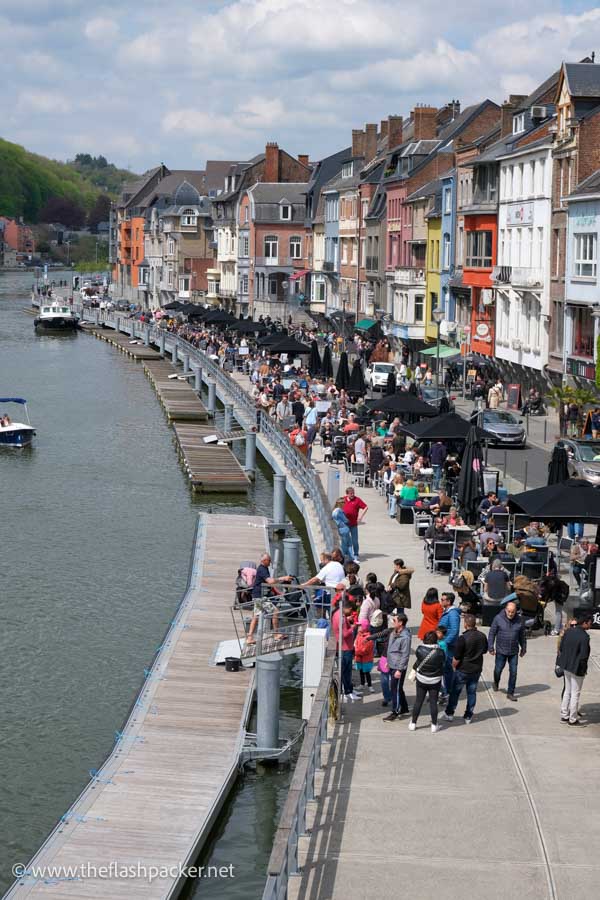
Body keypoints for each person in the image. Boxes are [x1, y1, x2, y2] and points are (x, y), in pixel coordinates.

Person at [442, 613, 488, 723]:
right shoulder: (482, 636)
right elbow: (485, 650)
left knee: (455, 692)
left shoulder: (462, 638)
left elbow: (456, 657)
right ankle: (468, 715)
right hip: (476, 669)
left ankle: (449, 713)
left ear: (466, 624)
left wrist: (453, 666)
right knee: (471, 692)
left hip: (463, 670)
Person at [246, 553, 292, 644]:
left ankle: (249, 638)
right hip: (260, 596)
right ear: (264, 561)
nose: (270, 562)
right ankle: (276, 634)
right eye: (269, 560)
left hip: (257, 595)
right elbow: (270, 581)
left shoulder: (263, 568)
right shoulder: (262, 569)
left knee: (255, 616)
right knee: (275, 611)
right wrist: (283, 578)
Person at [557, 612, 593, 725]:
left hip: (566, 666)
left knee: (567, 691)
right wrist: (583, 670)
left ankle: (564, 715)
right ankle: (573, 718)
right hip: (577, 668)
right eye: (589, 623)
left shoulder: (569, 631)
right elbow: (583, 656)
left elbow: (561, 647)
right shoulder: (584, 637)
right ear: (585, 623)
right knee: (575, 693)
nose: (590, 625)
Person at [488, 600, 527, 700]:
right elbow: (492, 633)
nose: (510, 613)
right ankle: (496, 682)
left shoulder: (520, 620)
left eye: (512, 612)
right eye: (509, 611)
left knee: (513, 672)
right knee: (498, 669)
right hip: (501, 650)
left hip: (513, 651)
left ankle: (510, 692)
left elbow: (522, 636)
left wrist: (523, 648)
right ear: (505, 610)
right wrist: (491, 647)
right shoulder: (498, 618)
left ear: (516, 611)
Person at [408, 631, 446, 733]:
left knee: (418, 701)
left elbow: (418, 660)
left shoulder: (420, 650)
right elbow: (444, 662)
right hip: (435, 680)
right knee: (433, 702)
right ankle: (434, 725)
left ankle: (413, 723)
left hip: (421, 679)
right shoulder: (440, 652)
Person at [383, 614, 411, 720]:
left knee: (395, 689)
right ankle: (404, 707)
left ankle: (396, 711)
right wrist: (388, 661)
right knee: (397, 688)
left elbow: (405, 654)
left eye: (394, 620)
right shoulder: (393, 633)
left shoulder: (405, 637)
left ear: (400, 623)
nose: (392, 622)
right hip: (392, 664)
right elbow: (391, 649)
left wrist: (399, 669)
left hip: (398, 667)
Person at [332, 601, 360, 701]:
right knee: (345, 671)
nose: (351, 612)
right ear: (346, 608)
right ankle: (346, 692)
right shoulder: (341, 617)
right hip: (344, 648)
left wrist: (348, 620)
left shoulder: (339, 615)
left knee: (347, 671)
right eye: (350, 610)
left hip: (346, 647)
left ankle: (349, 689)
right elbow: (344, 634)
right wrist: (352, 628)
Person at [438, 592, 461, 700]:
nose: (441, 601)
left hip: (449, 646)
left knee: (448, 669)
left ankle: (447, 691)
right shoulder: (447, 611)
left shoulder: (452, 614)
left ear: (449, 601)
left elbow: (454, 630)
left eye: (443, 600)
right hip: (445, 644)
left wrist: (445, 643)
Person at [342, 487, 368, 560]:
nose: (353, 495)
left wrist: (361, 517)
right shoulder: (342, 500)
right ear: (347, 494)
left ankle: (356, 554)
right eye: (351, 494)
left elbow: (366, 507)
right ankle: (344, 554)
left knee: (355, 541)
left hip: (353, 524)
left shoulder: (357, 500)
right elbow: (337, 509)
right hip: (344, 524)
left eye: (353, 493)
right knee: (344, 540)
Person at [354, 620, 375, 693]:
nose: (358, 627)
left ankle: (370, 685)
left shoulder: (369, 637)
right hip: (359, 657)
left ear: (364, 627)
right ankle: (362, 684)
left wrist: (356, 652)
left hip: (366, 658)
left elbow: (366, 650)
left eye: (360, 626)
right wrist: (356, 650)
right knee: (361, 671)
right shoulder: (358, 635)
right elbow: (356, 644)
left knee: (367, 672)